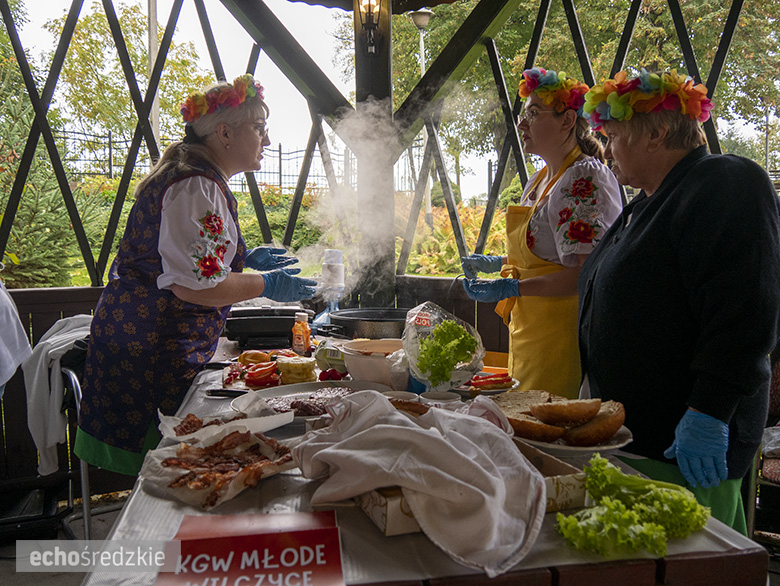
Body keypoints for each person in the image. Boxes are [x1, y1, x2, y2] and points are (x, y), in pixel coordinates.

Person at [74, 74, 316, 476]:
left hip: (146, 342)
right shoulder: (196, 187)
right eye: (258, 128)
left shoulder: (196, 179)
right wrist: (268, 285)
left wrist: (244, 257)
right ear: (224, 133)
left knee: (170, 471)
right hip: (155, 352)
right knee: (168, 474)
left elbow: (188, 260)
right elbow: (197, 286)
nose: (267, 140)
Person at [578, 68, 780, 533]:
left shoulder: (726, 181)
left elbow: (747, 311)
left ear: (658, 134)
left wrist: (709, 410)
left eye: (614, 136)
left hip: (688, 449)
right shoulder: (646, 203)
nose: (606, 151)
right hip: (639, 439)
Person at [461, 67, 622, 399]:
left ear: (566, 122)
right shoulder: (541, 179)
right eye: (524, 114)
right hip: (530, 330)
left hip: (561, 335)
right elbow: (546, 258)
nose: (522, 124)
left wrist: (512, 286)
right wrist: (498, 264)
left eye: (533, 113)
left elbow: (583, 273)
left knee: (549, 424)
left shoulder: (584, 178)